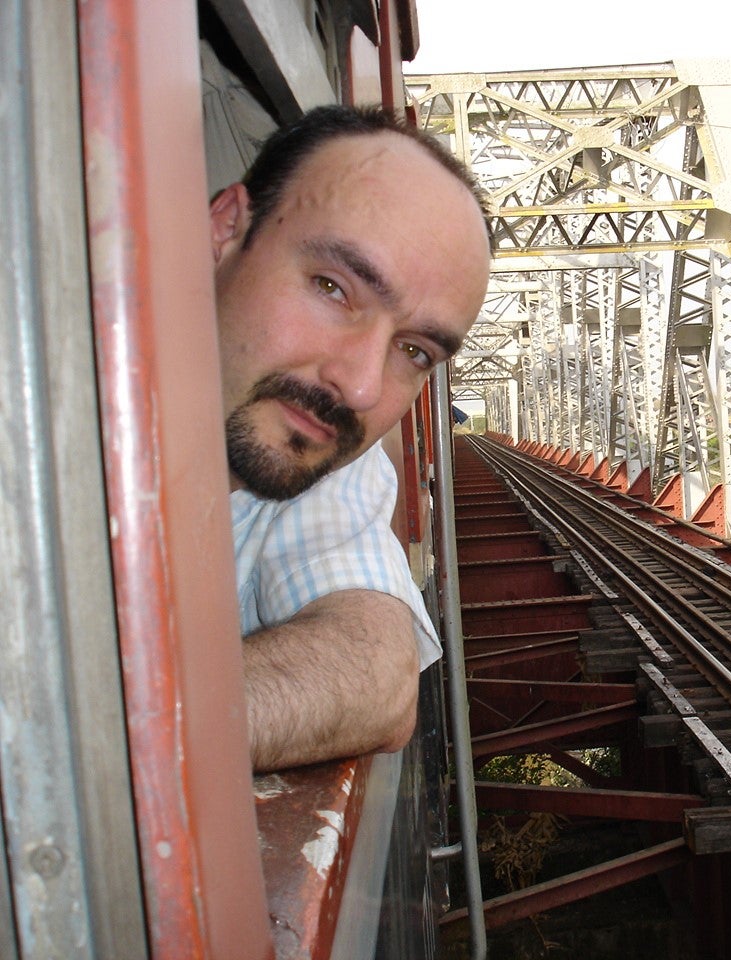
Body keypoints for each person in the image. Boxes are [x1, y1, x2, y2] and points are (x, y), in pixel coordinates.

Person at [209, 105, 492, 772]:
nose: (361, 385)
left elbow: (378, 672)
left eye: (415, 352)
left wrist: (100, 745)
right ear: (223, 230)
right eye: (334, 288)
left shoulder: (314, 449)